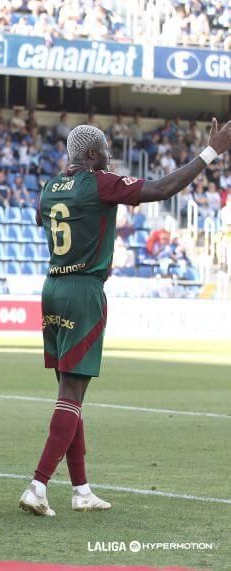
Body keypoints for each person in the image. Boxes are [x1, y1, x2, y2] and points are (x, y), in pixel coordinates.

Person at [21, 119, 231, 517]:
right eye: (104, 152)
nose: (109, 158)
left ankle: (81, 490)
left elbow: (40, 218)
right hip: (83, 292)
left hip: (52, 289)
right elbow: (162, 189)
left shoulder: (50, 187)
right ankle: (38, 485)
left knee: (71, 394)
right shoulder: (100, 182)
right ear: (91, 155)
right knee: (71, 394)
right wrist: (210, 152)